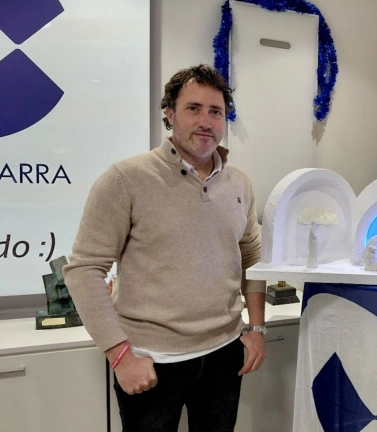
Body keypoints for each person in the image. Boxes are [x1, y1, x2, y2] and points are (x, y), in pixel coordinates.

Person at [63, 64, 267, 432]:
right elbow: (84, 270)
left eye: (215, 111)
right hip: (151, 360)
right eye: (193, 108)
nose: (205, 121)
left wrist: (256, 328)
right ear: (170, 114)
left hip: (224, 355)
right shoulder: (126, 179)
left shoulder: (239, 183)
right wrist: (120, 355)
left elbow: (252, 256)